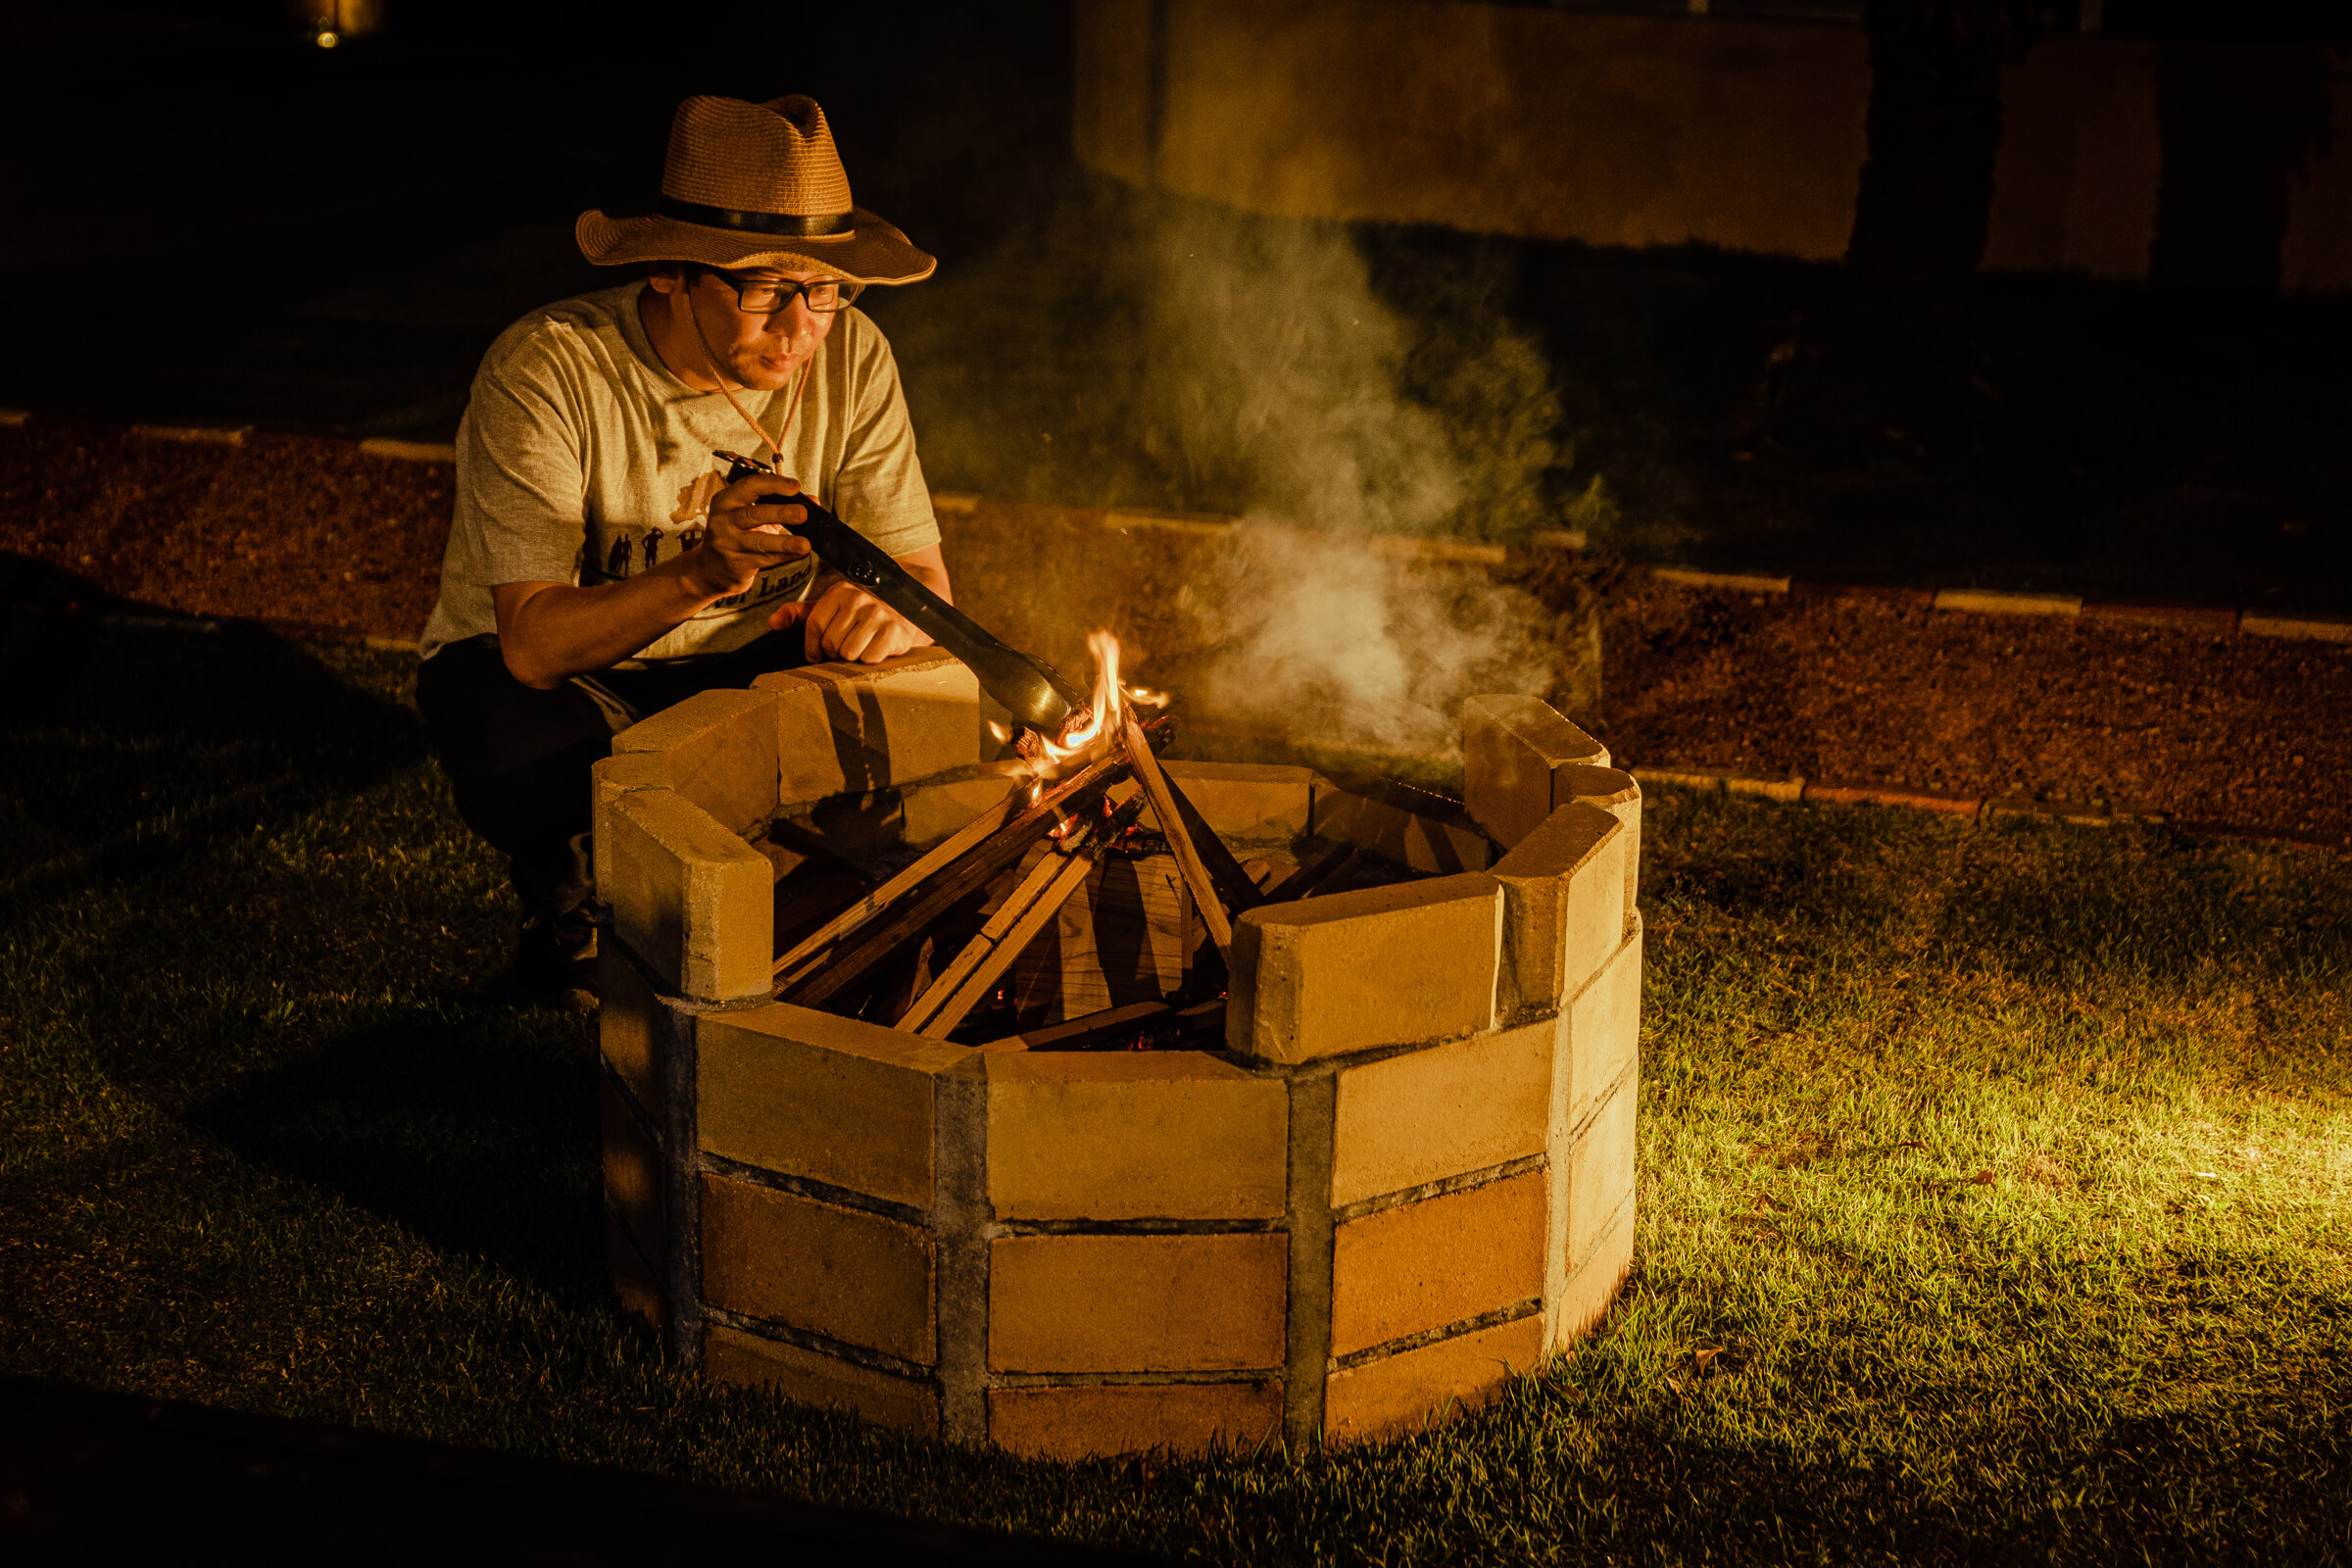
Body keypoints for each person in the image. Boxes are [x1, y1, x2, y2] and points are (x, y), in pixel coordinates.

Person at [415, 93, 951, 1007]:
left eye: (825, 287)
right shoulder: (550, 368)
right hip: (569, 675)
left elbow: (924, 574)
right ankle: (575, 907)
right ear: (670, 270)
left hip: (748, 658)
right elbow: (533, 643)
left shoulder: (852, 353)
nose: (802, 329)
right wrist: (708, 569)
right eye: (766, 290)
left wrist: (890, 603)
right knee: (526, 752)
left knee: (911, 700)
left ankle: (812, 900)